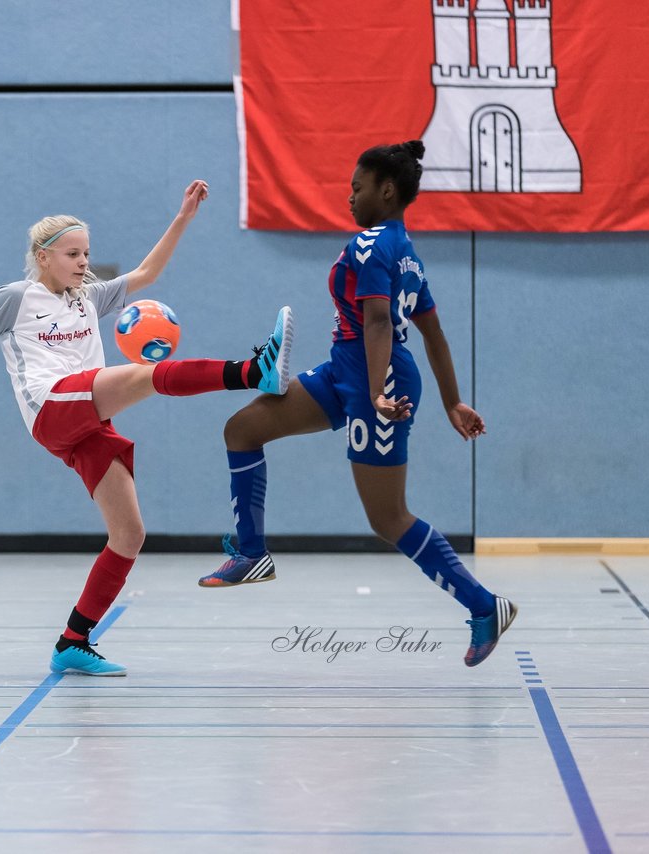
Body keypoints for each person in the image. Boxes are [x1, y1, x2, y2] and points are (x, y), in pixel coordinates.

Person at [0, 180, 293, 676]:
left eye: (86, 253)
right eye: (72, 254)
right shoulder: (15, 297)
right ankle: (254, 372)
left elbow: (148, 272)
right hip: (51, 405)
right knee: (147, 376)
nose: (83, 262)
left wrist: (184, 216)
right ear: (43, 256)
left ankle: (72, 640)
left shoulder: (88, 298)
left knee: (129, 534)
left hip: (86, 419)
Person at [199, 141, 516, 667]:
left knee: (388, 518)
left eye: (357, 187)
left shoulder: (373, 244)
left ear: (386, 190)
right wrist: (453, 402)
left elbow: (376, 323)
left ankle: (486, 606)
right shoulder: (406, 251)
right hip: (348, 370)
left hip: (376, 378)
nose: (349, 197)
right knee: (242, 429)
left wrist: (375, 394)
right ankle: (252, 554)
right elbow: (432, 335)